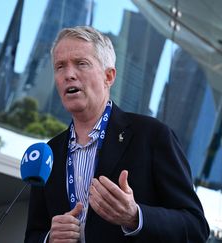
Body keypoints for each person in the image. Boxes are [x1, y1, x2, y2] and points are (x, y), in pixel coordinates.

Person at [25, 26, 210, 243]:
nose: (68, 74)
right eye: (60, 67)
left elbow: (196, 227)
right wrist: (49, 238)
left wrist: (136, 217)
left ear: (109, 76)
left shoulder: (152, 136)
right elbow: (33, 235)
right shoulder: (49, 153)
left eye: (81, 63)